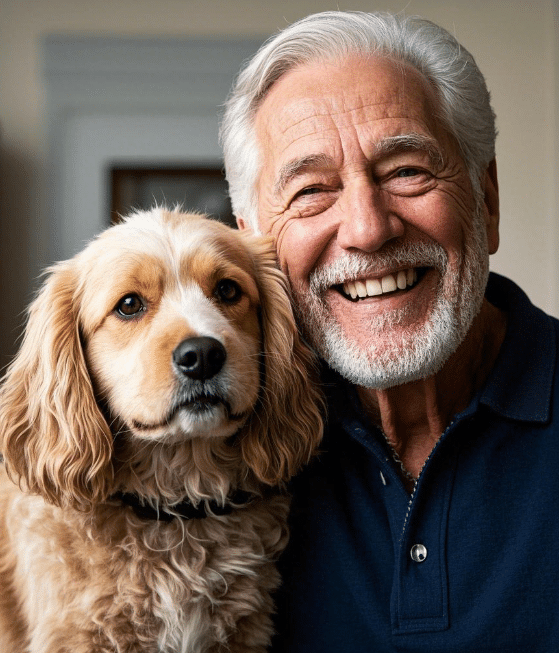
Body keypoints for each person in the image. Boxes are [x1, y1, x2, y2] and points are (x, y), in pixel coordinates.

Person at [220, 11, 559, 652]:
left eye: (406, 171)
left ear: (485, 200)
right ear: (251, 244)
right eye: (311, 192)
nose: (368, 230)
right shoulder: (217, 452)